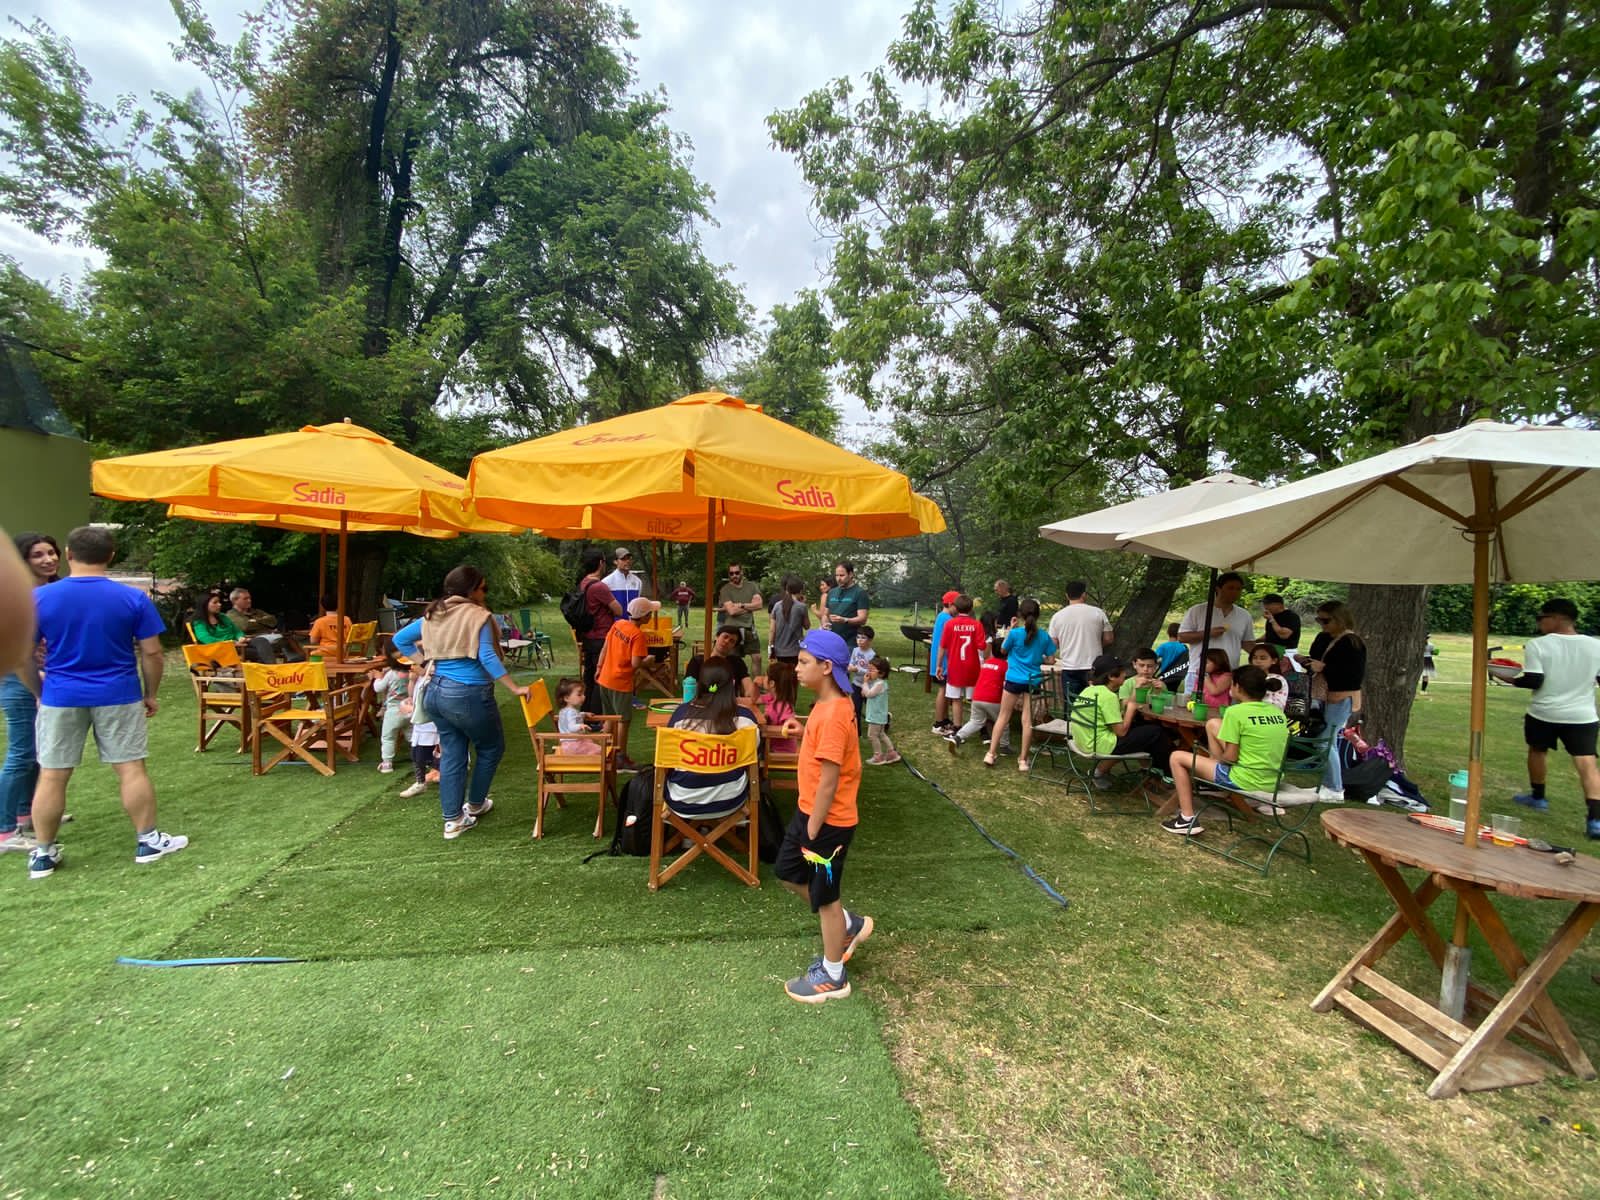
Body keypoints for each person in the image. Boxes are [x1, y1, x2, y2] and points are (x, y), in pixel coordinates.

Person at [17, 525, 184, 879]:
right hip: (118, 693)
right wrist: (151, 693)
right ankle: (147, 841)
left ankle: (43, 853)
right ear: (111, 555)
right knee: (131, 768)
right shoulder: (133, 598)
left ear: (67, 554)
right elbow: (152, 653)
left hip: (61, 695)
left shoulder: (38, 598)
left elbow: (21, 655)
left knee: (52, 775)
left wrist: (40, 693)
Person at [393, 565, 530, 841]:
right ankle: (476, 804)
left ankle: (453, 820)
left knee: (452, 752)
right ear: (472, 590)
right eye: (483, 588)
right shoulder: (478, 616)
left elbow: (400, 639)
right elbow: (487, 656)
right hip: (468, 694)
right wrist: (515, 688)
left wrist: (426, 663)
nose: (485, 593)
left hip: (435, 692)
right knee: (491, 748)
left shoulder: (434, 613)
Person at [775, 630, 872, 1003]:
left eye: (804, 662)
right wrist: (805, 733)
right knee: (787, 871)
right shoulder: (828, 705)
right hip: (810, 813)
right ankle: (848, 924)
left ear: (827, 667)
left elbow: (830, 781)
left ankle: (833, 975)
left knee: (825, 896)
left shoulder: (833, 714)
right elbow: (826, 755)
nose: (796, 668)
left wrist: (814, 828)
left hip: (827, 822)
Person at [1510, 598, 1600, 841]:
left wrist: (1509, 679)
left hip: (1544, 712)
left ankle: (1538, 797)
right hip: (1582, 715)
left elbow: (1534, 680)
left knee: (1537, 751)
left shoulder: (1538, 645)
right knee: (1587, 762)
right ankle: (1595, 819)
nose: (1539, 622)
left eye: (1542, 617)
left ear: (1558, 618)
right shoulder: (1596, 646)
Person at [1162, 664, 1289, 836]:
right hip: (1272, 778)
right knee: (1213, 724)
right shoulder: (1277, 712)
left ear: (1238, 687)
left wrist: (1212, 758)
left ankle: (1186, 818)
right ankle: (1214, 779)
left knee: (1177, 756)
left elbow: (1231, 757)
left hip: (1245, 779)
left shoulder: (1235, 712)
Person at [1, 531, 57, 853]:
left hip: (44, 678)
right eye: (38, 555)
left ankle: (27, 814)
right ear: (23, 561)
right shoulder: (17, 595)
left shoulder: (50, 592)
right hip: (17, 679)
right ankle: (4, 829)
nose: (48, 559)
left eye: (51, 552)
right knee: (21, 753)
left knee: (38, 751)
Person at [663, 660, 763, 818]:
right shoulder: (746, 719)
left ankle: (687, 831)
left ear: (699, 684)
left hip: (682, 800)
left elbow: (668, 760)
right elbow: (753, 758)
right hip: (731, 800)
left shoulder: (681, 717)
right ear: (733, 684)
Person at [1072, 655, 1174, 781]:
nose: (1125, 674)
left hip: (1084, 740)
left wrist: (1135, 693)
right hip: (1101, 745)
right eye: (1122, 672)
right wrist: (1131, 708)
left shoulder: (1089, 690)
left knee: (1143, 728)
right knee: (1156, 732)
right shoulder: (1108, 696)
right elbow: (1121, 732)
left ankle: (1153, 769)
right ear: (1111, 676)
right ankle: (1169, 775)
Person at [985, 599, 1057, 772]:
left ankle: (991, 753)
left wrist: (1010, 629)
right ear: (1038, 615)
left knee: (1003, 717)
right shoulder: (1044, 636)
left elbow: (1003, 650)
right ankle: (1023, 760)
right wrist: (1040, 658)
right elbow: (1051, 659)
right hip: (1033, 681)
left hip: (1014, 679)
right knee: (1027, 721)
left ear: (1020, 615)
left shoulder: (1015, 634)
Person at [1305, 600, 1366, 802]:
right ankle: (1329, 784)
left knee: (1325, 742)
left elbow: (1352, 676)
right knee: (1324, 740)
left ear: (1340, 619)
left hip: (1342, 696)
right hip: (1325, 694)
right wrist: (1308, 662)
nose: (1322, 624)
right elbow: (1315, 656)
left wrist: (1324, 668)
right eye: (1319, 620)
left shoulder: (1352, 642)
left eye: (1326, 620)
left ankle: (1335, 788)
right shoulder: (1324, 637)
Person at [595, 596, 659, 772]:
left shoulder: (618, 624)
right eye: (650, 613)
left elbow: (605, 648)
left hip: (605, 678)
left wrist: (599, 667)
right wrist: (649, 660)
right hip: (620, 682)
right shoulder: (637, 635)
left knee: (609, 717)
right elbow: (635, 664)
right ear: (645, 617)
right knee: (624, 720)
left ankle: (606, 754)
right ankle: (621, 759)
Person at [1177, 572, 1254, 681]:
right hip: (1199, 672)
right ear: (1218, 589)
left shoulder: (1244, 615)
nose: (1235, 592)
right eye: (1230, 588)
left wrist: (1264, 656)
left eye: (1238, 589)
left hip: (1229, 673)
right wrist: (1207, 633)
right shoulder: (1198, 610)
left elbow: (1247, 643)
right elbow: (1182, 637)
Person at [1046, 581, 1113, 703]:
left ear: (1067, 595)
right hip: (1094, 666)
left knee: (1072, 704)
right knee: (1094, 703)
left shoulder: (1057, 616)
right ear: (1084, 594)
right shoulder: (1098, 613)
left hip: (1069, 667)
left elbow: (1053, 644)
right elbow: (1109, 638)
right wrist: (1097, 644)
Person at [946, 637, 1011, 754]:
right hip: (993, 699)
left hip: (977, 697)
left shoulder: (986, 664)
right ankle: (1004, 746)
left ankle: (958, 737)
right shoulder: (1006, 666)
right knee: (1003, 721)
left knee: (975, 722)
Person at [574, 549, 622, 703]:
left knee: (589, 677)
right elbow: (618, 610)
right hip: (601, 638)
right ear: (601, 563)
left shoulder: (583, 583)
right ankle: (596, 714)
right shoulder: (599, 587)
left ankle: (586, 710)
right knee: (600, 678)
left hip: (588, 636)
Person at [939, 594, 985, 734]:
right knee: (974, 698)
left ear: (956, 607)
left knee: (956, 698)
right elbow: (982, 646)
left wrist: (938, 665)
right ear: (971, 608)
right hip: (972, 666)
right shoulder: (977, 625)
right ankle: (978, 725)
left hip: (955, 666)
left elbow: (943, 646)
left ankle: (957, 726)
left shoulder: (950, 624)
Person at [225, 587, 304, 663]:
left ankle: (297, 660)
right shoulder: (231, 615)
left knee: (287, 635)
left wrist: (256, 621)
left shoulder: (256, 611)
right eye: (245, 599)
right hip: (253, 639)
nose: (249, 600)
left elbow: (273, 621)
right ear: (235, 601)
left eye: (249, 598)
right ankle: (300, 660)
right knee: (285, 637)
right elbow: (246, 626)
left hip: (270, 636)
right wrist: (263, 621)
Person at [369, 646, 413, 774]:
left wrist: (378, 677)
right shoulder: (412, 673)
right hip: (409, 709)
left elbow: (378, 688)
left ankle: (387, 763)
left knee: (388, 737)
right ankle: (422, 758)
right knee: (413, 736)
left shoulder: (391, 674)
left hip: (393, 711)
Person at [685, 626, 757, 703]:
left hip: (730, 706)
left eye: (732, 641)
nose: (727, 641)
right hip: (702, 704)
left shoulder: (737, 663)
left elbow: (748, 689)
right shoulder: (697, 661)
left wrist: (754, 689)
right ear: (716, 637)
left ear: (733, 647)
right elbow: (690, 691)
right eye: (725, 637)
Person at [717, 562, 764, 673]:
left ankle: (757, 683)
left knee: (757, 658)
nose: (734, 575)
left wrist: (741, 605)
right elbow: (732, 611)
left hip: (749, 628)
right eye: (731, 573)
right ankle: (734, 682)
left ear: (742, 572)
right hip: (732, 629)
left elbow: (759, 605)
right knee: (733, 660)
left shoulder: (752, 586)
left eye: (737, 572)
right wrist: (750, 607)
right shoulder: (725, 590)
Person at [816, 559, 869, 639]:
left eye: (841, 575)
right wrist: (824, 623)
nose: (838, 579)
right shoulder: (832, 592)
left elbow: (863, 620)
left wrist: (845, 620)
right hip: (832, 639)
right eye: (836, 575)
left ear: (850, 574)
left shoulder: (860, 593)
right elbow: (825, 615)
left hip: (850, 641)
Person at [861, 656, 899, 765]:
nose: (869, 672)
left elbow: (869, 694)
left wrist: (865, 683)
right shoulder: (879, 683)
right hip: (880, 715)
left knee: (872, 735)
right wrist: (866, 687)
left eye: (872, 670)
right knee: (881, 734)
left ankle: (878, 756)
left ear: (881, 673)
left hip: (876, 716)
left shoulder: (879, 684)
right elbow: (867, 693)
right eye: (868, 669)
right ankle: (892, 753)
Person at [399, 702, 440, 798]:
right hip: (421, 725)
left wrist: (411, 709)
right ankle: (420, 783)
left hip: (434, 724)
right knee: (417, 755)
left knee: (434, 756)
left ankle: (449, 778)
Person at [757, 659, 800, 754]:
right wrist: (755, 685)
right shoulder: (771, 698)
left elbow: (791, 729)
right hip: (770, 746)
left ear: (772, 683)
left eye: (765, 676)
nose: (763, 678)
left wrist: (765, 728)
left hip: (780, 751)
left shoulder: (784, 707)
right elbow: (754, 699)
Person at [554, 678, 603, 757]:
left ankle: (589, 758)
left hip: (568, 744)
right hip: (574, 745)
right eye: (579, 695)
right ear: (566, 698)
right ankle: (590, 761)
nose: (584, 697)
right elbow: (571, 727)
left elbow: (574, 717)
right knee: (599, 750)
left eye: (583, 694)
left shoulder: (564, 711)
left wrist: (584, 714)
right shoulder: (571, 712)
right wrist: (580, 726)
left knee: (590, 742)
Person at [768, 574, 809, 666]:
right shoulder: (801, 607)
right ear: (801, 591)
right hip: (795, 650)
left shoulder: (777, 605)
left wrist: (770, 648)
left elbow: (772, 630)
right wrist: (803, 604)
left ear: (786, 590)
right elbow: (807, 626)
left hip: (779, 651)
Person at [848, 625, 878, 727]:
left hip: (869, 686)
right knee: (855, 708)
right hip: (856, 684)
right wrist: (850, 666)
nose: (859, 640)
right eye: (858, 637)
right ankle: (857, 731)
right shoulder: (855, 650)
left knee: (873, 708)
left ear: (870, 640)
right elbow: (852, 662)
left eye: (863, 638)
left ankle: (882, 723)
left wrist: (857, 669)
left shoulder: (872, 655)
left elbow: (871, 673)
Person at [308, 594, 352, 659]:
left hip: (325, 653)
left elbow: (313, 641)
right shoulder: (347, 620)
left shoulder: (320, 621)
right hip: (343, 653)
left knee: (311, 654)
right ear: (339, 604)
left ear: (322, 606)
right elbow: (351, 637)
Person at [601, 548, 644, 614]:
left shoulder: (638, 581)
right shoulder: (606, 582)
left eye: (629, 558)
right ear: (615, 561)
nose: (627, 561)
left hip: (632, 620)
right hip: (615, 620)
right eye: (623, 559)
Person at [1248, 644, 1289, 710]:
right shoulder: (1246, 677)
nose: (1258, 661)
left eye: (1263, 658)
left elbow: (1278, 705)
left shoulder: (1278, 679)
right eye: (1255, 658)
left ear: (1274, 661)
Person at [1154, 622, 1188, 691]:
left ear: (1168, 632)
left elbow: (1154, 658)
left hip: (1166, 673)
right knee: (1173, 690)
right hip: (1177, 673)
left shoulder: (1163, 646)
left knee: (1163, 690)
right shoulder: (1183, 647)